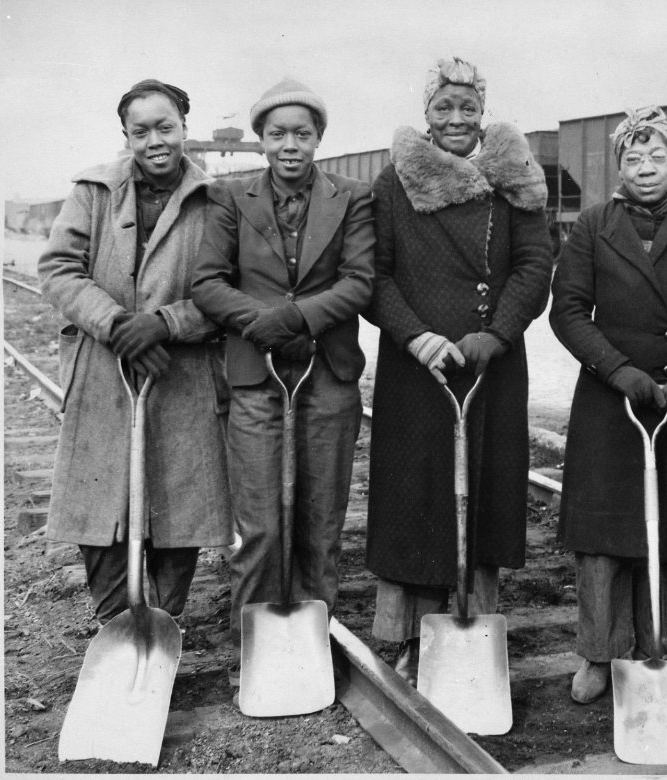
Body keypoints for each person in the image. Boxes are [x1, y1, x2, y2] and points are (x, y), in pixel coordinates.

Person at [365, 57, 553, 686]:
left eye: (466, 107)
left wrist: (495, 333)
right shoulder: (395, 183)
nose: (455, 119)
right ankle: (406, 633)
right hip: (416, 366)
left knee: (484, 490)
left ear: (482, 112)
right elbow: (376, 274)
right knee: (415, 493)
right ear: (427, 113)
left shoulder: (515, 178)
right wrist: (416, 337)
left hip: (489, 364)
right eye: (442, 107)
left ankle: (475, 620)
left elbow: (534, 265)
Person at [191, 79, 375, 684]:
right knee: (262, 522)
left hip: (328, 371)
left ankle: (316, 642)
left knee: (322, 518)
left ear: (319, 137)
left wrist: (301, 317)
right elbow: (209, 281)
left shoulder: (352, 196)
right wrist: (266, 325)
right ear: (261, 139)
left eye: (302, 133)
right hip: (256, 373)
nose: (290, 145)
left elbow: (359, 281)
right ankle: (260, 646)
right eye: (277, 134)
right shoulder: (228, 196)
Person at [38, 79, 233, 625]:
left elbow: (228, 290)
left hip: (182, 371)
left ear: (184, 128)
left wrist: (166, 323)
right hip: (104, 370)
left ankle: (164, 623)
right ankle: (113, 627)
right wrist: (120, 324)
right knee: (99, 504)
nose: (155, 140)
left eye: (165, 127)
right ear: (125, 135)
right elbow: (58, 268)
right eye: (141, 130)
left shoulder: (215, 200)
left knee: (180, 504)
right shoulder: (93, 192)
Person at [549, 106, 667, 704]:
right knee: (601, 532)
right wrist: (617, 368)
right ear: (617, 166)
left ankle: (661, 643)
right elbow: (567, 311)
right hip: (611, 400)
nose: (645, 168)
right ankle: (599, 654)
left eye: (657, 158)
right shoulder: (593, 225)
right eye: (633, 158)